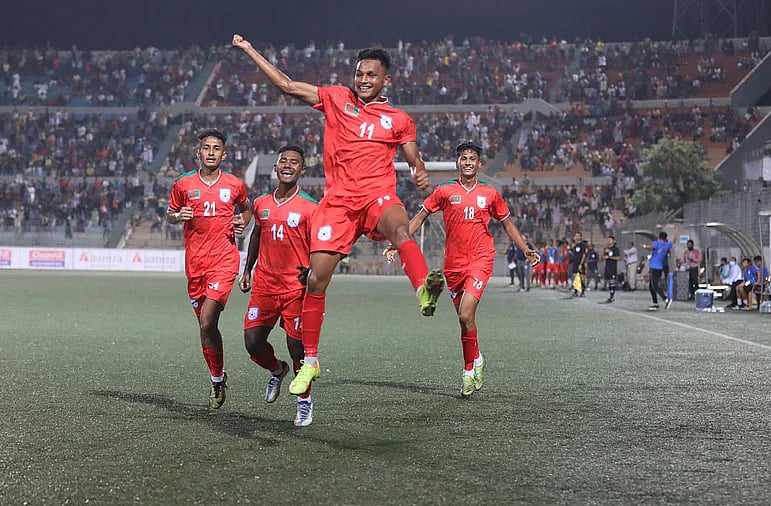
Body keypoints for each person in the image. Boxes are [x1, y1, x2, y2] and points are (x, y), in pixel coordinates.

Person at [232, 35, 444, 399]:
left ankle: (423, 287)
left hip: (377, 196)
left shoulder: (399, 120)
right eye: (359, 73)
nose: (362, 79)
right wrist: (251, 50)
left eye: (371, 75)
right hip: (339, 204)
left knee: (400, 228)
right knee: (315, 281)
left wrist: (419, 170)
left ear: (385, 80)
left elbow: (413, 156)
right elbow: (285, 85)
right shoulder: (335, 98)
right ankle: (310, 360)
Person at [384, 141, 540, 397]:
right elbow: (420, 217)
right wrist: (397, 243)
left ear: (479, 164)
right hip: (453, 266)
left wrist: (525, 249)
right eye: (464, 158)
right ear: (458, 163)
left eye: (472, 158)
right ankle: (477, 357)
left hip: (480, 259)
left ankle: (468, 372)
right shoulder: (444, 191)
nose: (468, 162)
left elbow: (507, 224)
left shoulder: (490, 194)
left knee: (466, 315)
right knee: (464, 320)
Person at [167, 128, 251, 410]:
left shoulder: (234, 184)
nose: (212, 152)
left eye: (217, 148)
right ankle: (217, 378)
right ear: (198, 152)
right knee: (206, 328)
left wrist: (243, 222)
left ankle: (217, 377)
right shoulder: (182, 184)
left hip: (224, 261)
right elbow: (170, 214)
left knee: (207, 321)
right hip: (196, 266)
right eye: (207, 147)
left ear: (224, 154)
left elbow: (247, 209)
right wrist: (178, 216)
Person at [238, 145, 319, 426]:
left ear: (302, 170)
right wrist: (247, 269)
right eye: (283, 160)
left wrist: (313, 272)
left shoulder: (310, 207)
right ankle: (277, 369)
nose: (287, 165)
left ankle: (304, 403)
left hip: (295, 290)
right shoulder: (261, 203)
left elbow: (320, 246)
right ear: (275, 167)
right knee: (252, 343)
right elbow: (256, 236)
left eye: (294, 162)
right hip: (263, 285)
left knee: (298, 349)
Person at [642, 228, 680, 311]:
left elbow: (651, 247)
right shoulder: (666, 245)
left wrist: (644, 246)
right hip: (659, 268)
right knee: (651, 286)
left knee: (655, 286)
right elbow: (673, 241)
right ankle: (655, 303)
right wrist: (676, 232)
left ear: (659, 237)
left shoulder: (656, 243)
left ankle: (666, 299)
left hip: (654, 268)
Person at [602, 235, 621, 303]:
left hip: (613, 267)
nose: (609, 241)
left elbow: (618, 258)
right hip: (607, 266)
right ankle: (610, 295)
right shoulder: (606, 249)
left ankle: (612, 296)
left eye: (610, 240)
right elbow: (603, 257)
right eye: (608, 240)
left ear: (613, 241)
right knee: (609, 281)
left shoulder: (616, 249)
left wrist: (609, 257)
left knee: (612, 281)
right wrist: (604, 256)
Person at [568, 232, 587, 297]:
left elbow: (584, 255)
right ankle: (576, 291)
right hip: (575, 263)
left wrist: (581, 264)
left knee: (581, 278)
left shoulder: (583, 245)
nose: (576, 237)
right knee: (575, 277)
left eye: (578, 236)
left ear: (580, 237)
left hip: (580, 263)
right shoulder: (575, 245)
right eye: (576, 236)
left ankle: (583, 292)